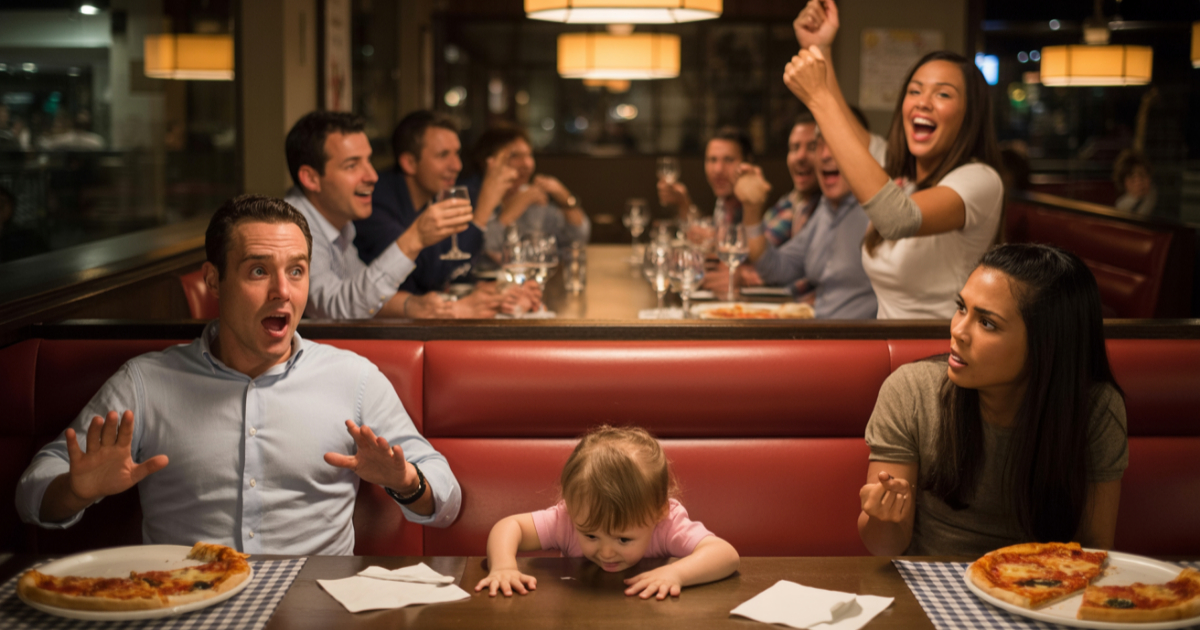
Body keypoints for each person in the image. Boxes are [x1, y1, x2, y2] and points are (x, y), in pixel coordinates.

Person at [15, 194, 462, 555]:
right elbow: (32, 492)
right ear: (213, 280)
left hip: (316, 609)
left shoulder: (354, 379)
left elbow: (446, 497)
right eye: (258, 271)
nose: (282, 292)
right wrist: (75, 490)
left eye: (297, 271)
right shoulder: (146, 383)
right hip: (184, 606)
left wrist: (405, 483)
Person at [859, 243, 1127, 556]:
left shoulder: (1096, 409)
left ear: (1048, 344)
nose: (958, 331)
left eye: (987, 323)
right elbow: (883, 547)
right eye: (961, 307)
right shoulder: (911, 390)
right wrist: (884, 516)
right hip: (932, 584)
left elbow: (1094, 547)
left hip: (1042, 590)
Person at [786, 0, 1003, 319]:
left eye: (942, 94)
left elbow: (898, 218)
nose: (923, 103)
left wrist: (817, 99)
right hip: (888, 346)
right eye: (915, 91)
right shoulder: (901, 172)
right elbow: (843, 129)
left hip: (940, 354)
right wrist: (819, 48)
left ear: (970, 116)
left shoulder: (980, 179)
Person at [474, 425, 739, 600]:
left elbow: (725, 555)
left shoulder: (667, 523)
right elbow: (510, 526)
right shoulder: (568, 519)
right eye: (590, 536)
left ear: (658, 512)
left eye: (623, 539)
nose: (606, 552)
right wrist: (503, 566)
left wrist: (675, 574)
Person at [282, 111, 471, 319]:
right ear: (311, 178)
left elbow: (361, 290)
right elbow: (332, 307)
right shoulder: (292, 228)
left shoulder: (339, 224)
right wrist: (414, 239)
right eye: (352, 165)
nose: (372, 176)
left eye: (368, 161)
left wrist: (413, 305)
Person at [737, 130, 877, 319]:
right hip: (819, 338)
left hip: (863, 343)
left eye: (837, 144)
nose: (826, 155)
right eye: (819, 145)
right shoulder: (825, 210)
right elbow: (775, 268)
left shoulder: (878, 212)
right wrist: (752, 209)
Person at [469, 124, 590, 258]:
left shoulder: (531, 197)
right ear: (488, 162)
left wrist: (564, 196)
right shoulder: (470, 198)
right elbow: (480, 252)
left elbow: (578, 238)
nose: (527, 164)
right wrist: (512, 211)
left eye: (529, 155)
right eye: (515, 156)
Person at [658, 126, 752, 224]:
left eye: (728, 159)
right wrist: (683, 203)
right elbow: (711, 229)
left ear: (748, 162)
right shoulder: (724, 200)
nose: (718, 169)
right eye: (712, 160)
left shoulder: (755, 203)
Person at [1112, 149, 1156, 216]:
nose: (1138, 182)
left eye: (1142, 175)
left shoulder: (1161, 206)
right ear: (1124, 183)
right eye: (1132, 178)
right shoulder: (1120, 208)